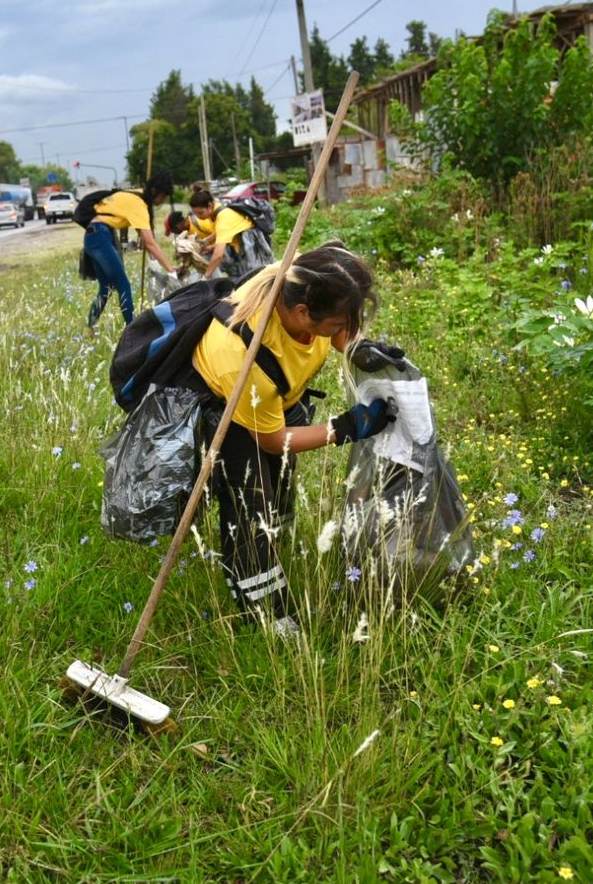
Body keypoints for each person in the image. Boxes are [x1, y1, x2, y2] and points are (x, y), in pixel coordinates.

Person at [189, 241, 396, 638]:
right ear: (303, 314)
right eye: (338, 325)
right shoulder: (244, 357)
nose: (341, 332)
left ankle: (276, 550)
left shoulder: (307, 284)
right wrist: (345, 428)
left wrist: (361, 349)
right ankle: (263, 610)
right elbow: (272, 440)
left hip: (277, 399)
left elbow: (338, 332)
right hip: (230, 410)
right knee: (252, 507)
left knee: (280, 488)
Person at [83, 173, 177, 334]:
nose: (162, 201)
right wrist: (171, 270)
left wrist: (153, 261)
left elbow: (146, 236)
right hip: (100, 236)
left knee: (107, 288)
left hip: (96, 235)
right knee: (123, 285)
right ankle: (133, 331)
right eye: (163, 196)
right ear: (155, 191)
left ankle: (88, 329)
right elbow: (150, 243)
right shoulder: (139, 204)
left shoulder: (137, 196)